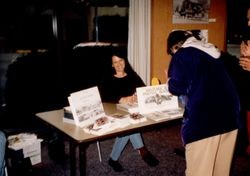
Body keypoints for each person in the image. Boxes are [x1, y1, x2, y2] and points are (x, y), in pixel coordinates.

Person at [166, 30, 241, 176]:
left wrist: (169, 81)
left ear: (175, 47)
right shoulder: (215, 52)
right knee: (221, 169)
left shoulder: (182, 54)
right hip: (231, 117)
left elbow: (177, 86)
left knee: (199, 170)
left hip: (205, 121)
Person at [99, 48, 159, 172]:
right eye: (115, 62)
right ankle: (142, 150)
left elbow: (143, 89)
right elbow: (103, 96)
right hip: (113, 112)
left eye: (120, 60)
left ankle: (113, 159)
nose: (119, 64)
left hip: (132, 110)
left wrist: (137, 96)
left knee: (130, 122)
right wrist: (120, 99)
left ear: (125, 61)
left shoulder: (132, 75)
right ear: (112, 64)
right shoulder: (108, 78)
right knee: (129, 124)